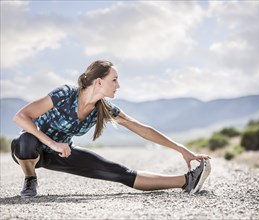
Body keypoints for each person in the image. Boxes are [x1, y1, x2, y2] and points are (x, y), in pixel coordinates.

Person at [11, 60, 211, 198]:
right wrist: (52, 143)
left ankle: (187, 181)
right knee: (26, 141)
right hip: (31, 151)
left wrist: (183, 150)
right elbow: (21, 116)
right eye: (114, 80)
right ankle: (30, 179)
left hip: (63, 153)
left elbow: (143, 130)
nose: (118, 85)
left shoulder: (104, 109)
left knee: (120, 172)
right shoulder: (65, 94)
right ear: (99, 81)